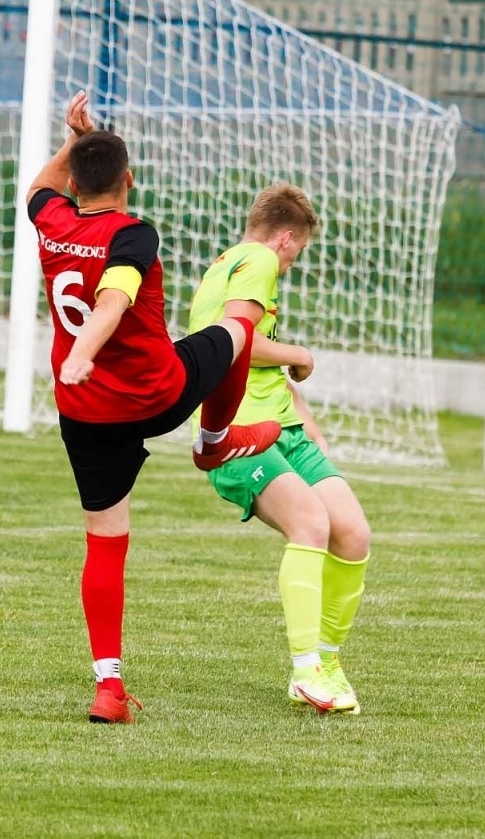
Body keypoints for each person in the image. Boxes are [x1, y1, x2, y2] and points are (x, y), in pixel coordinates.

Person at [28, 91, 282, 725]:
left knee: (105, 541)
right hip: (154, 395)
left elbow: (39, 186)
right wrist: (83, 350)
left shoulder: (52, 221)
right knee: (239, 334)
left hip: (85, 413)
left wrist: (72, 141)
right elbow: (113, 301)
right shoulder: (133, 233)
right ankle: (215, 441)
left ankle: (108, 688)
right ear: (129, 181)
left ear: (75, 183)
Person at [186, 183, 371, 714]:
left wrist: (306, 418)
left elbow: (248, 354)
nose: (294, 261)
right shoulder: (258, 261)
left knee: (353, 533)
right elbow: (233, 338)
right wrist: (299, 352)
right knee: (311, 524)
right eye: (301, 251)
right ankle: (306, 669)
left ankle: (329, 661)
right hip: (237, 434)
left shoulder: (230, 264)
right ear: (287, 239)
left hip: (282, 428)